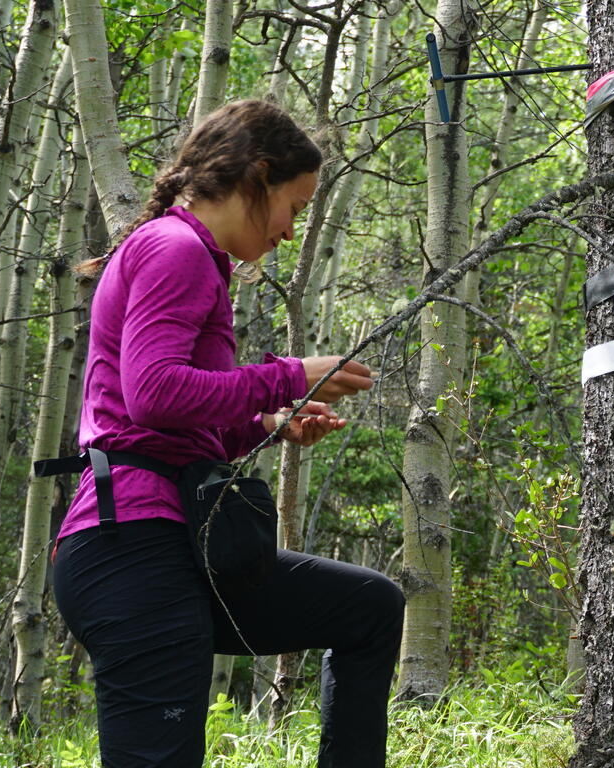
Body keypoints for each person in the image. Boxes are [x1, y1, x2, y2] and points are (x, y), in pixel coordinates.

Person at [51, 99, 404, 768]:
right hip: (133, 551)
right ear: (257, 176)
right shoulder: (177, 248)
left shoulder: (186, 254)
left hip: (180, 544)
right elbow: (153, 395)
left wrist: (269, 424)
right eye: (294, 208)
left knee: (369, 607)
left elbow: (171, 419)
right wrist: (288, 376)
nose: (291, 231)